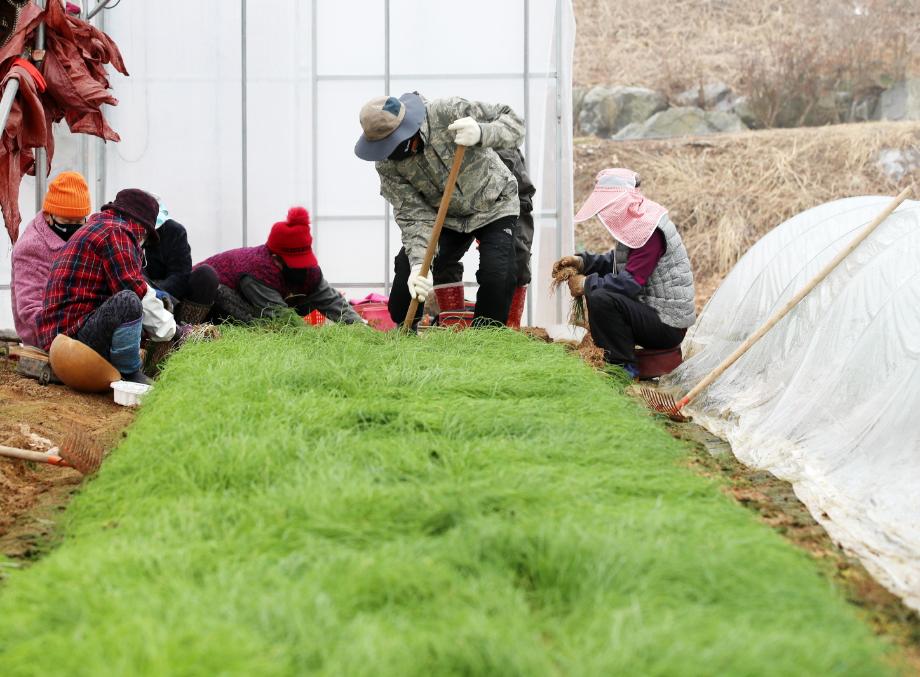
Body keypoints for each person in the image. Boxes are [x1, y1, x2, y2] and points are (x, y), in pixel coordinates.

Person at [354, 92, 524, 327]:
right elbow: (413, 215)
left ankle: (486, 341)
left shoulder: (446, 112)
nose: (392, 151)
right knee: (407, 283)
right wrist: (417, 265)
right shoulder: (387, 164)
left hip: (494, 204)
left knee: (497, 275)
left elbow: (515, 123)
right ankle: (407, 334)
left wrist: (482, 133)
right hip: (445, 218)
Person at [554, 168, 696, 377]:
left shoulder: (650, 230)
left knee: (602, 297)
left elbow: (630, 283)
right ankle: (619, 361)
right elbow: (620, 262)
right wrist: (584, 262)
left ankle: (622, 367)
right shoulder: (639, 224)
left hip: (667, 324)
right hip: (653, 313)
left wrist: (586, 284)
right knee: (601, 292)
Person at [36, 189, 177, 386]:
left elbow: (135, 283)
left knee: (133, 301)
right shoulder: (117, 233)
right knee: (128, 301)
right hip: (73, 340)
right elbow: (134, 289)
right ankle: (130, 372)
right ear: (141, 227)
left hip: (59, 335)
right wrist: (173, 330)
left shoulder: (100, 226)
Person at [198, 206, 362, 325]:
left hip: (256, 299)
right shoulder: (257, 271)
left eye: (304, 263)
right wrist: (316, 342)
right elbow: (282, 318)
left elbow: (333, 303)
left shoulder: (310, 272)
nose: (302, 269)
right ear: (275, 259)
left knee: (307, 303)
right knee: (262, 324)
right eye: (295, 264)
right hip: (211, 299)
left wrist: (363, 329)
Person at [431, 147, 535, 328]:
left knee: (516, 256)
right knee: (440, 256)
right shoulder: (441, 146)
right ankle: (452, 325)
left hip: (506, 200)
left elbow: (521, 198)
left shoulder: (503, 149)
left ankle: (508, 327)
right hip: (457, 205)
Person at [10, 171, 91, 348]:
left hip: (75, 324)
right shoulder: (31, 247)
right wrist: (76, 323)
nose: (73, 227)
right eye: (67, 220)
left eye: (79, 222)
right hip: (46, 338)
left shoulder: (85, 234)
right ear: (48, 215)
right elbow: (30, 311)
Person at [142, 198, 219, 325]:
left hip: (172, 297)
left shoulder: (174, 231)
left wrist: (159, 294)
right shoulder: (123, 234)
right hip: (141, 295)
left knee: (206, 275)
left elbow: (181, 275)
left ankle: (185, 327)